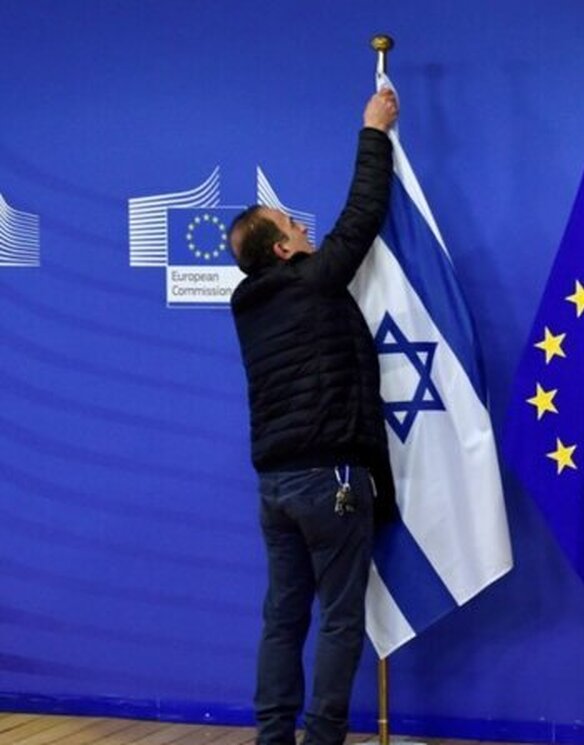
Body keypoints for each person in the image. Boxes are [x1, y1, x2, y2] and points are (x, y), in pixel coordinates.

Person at [229, 87, 400, 745]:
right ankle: (323, 738)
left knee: (283, 618)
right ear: (280, 249)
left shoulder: (249, 304)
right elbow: (362, 214)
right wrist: (373, 131)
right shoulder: (311, 281)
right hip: (330, 479)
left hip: (275, 488)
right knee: (340, 618)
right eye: (292, 224)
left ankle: (273, 737)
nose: (305, 228)